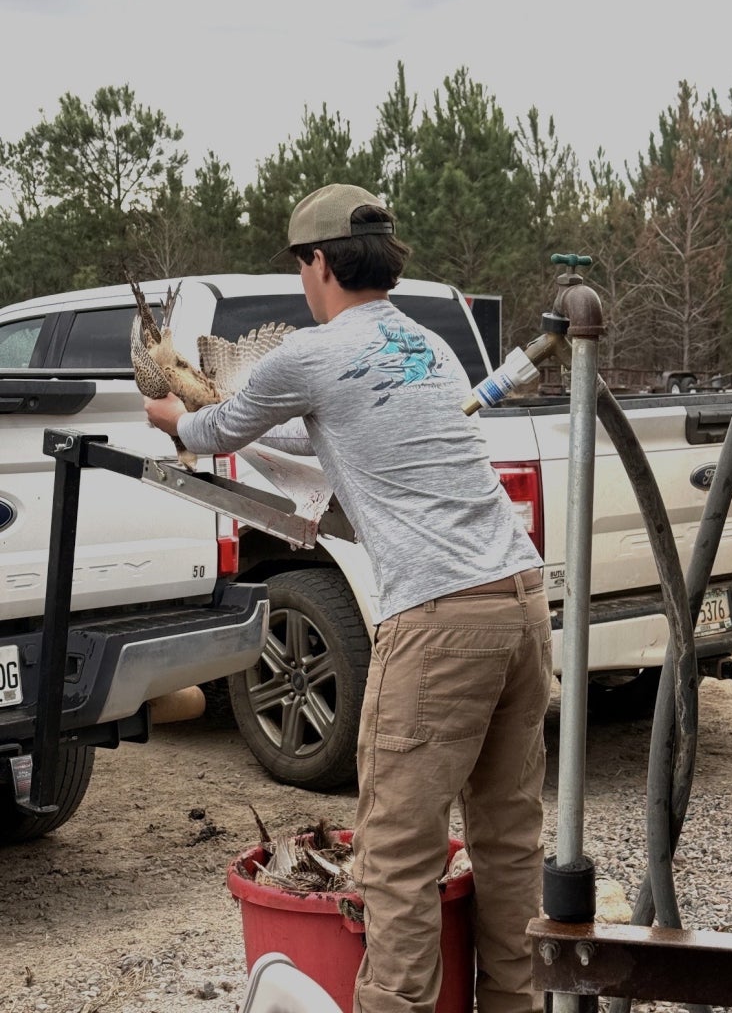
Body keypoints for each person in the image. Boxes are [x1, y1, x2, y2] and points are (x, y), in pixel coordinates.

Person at [144, 183, 552, 1013]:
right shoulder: (429, 349)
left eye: (301, 266)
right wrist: (224, 412)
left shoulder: (310, 352)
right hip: (520, 601)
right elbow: (315, 427)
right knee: (509, 843)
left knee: (396, 856)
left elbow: (217, 432)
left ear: (318, 261)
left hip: (439, 619)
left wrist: (170, 415)